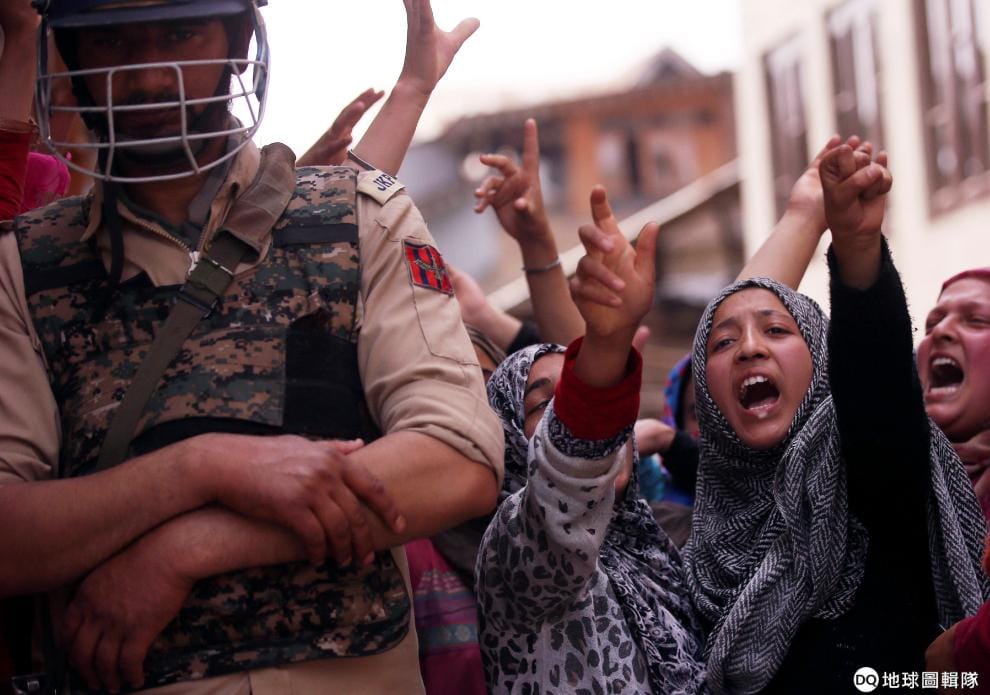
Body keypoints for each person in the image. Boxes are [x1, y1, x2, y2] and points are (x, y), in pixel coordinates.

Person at [0, 2, 502, 694]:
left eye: (181, 32)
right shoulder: (24, 266)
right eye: (111, 40)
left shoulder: (362, 216)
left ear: (239, 39)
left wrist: (190, 548)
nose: (148, 77)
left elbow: (457, 458)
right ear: (72, 57)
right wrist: (199, 467)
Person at [679, 142, 987, 694]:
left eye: (778, 331)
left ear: (823, 363)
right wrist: (802, 215)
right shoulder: (689, 557)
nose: (750, 347)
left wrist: (857, 248)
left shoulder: (869, 485)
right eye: (724, 343)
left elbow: (877, 393)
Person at [476, 186, 707, 694]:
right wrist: (606, 342)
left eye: (576, 394)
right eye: (545, 405)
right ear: (510, 442)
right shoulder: (515, 555)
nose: (566, 416)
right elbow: (568, 474)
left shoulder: (661, 549)